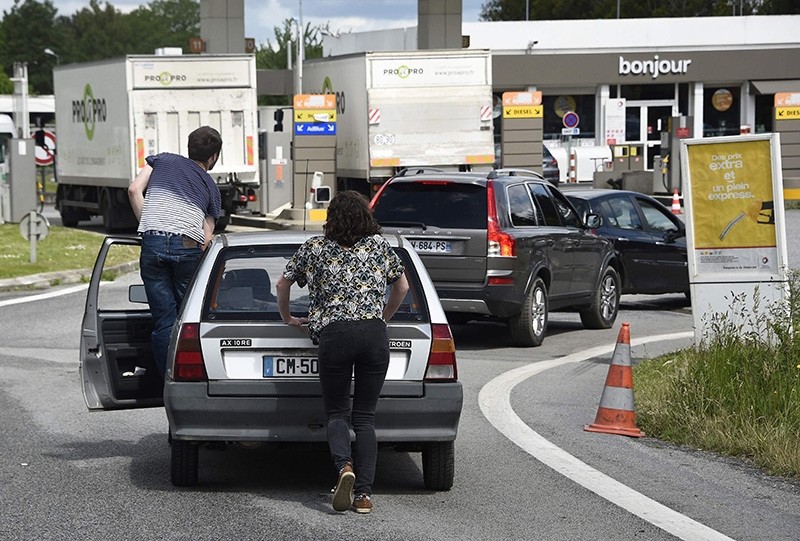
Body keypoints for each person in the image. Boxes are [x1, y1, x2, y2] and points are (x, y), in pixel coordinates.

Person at [276, 191, 409, 514]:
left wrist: (288, 318)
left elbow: (283, 284)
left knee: (337, 412)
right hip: (373, 335)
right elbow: (402, 287)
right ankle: (363, 495)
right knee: (365, 418)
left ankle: (344, 467)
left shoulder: (315, 247)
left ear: (331, 217)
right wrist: (381, 319)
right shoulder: (380, 246)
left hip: (334, 336)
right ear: (366, 215)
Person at [127, 125, 222, 378]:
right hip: (187, 245)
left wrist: (147, 225)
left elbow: (134, 189)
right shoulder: (211, 189)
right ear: (213, 157)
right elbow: (206, 238)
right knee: (187, 318)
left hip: (153, 243)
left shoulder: (161, 160)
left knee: (164, 321)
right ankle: (188, 377)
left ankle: (166, 380)